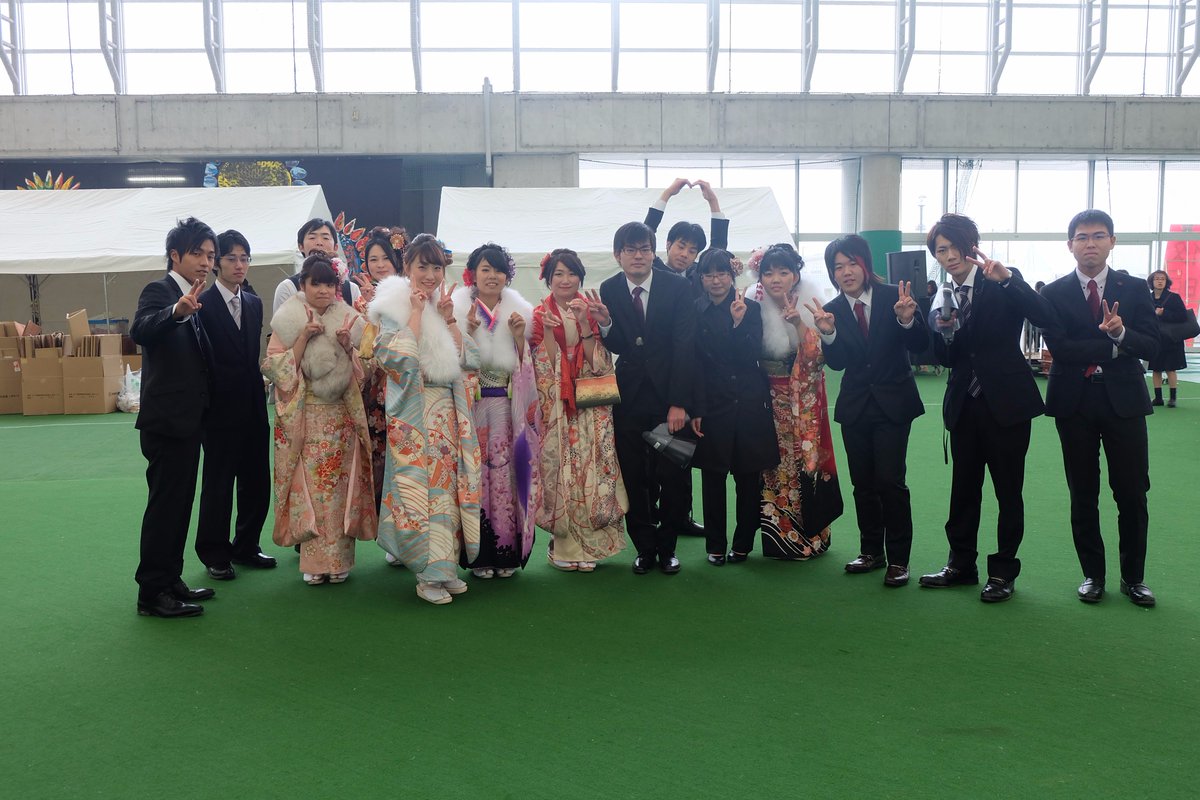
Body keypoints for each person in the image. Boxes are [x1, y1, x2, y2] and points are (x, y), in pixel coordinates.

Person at [919, 213, 1053, 603]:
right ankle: (961, 564)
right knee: (963, 490)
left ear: (971, 246)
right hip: (965, 404)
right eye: (940, 250)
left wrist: (1008, 279)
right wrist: (945, 335)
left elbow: (1044, 316)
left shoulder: (1002, 280)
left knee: (1008, 492)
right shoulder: (943, 296)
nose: (949, 256)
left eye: (954, 247)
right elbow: (945, 358)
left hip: (1007, 404)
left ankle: (1003, 571)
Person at [1041, 210, 1159, 607]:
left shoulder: (1135, 288)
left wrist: (1122, 332)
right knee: (1083, 492)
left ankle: (1134, 578)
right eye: (1082, 237)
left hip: (1124, 402)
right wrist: (1114, 347)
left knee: (1132, 492)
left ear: (1112, 242)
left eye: (1098, 236)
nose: (1090, 243)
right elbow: (1060, 349)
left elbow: (1152, 345)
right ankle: (1093, 575)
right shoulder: (1053, 293)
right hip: (1074, 403)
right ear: (1070, 245)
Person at [806, 235, 927, 587]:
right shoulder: (832, 310)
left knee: (890, 481)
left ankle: (899, 559)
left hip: (894, 404)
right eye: (838, 267)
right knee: (863, 483)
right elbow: (838, 363)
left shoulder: (895, 297)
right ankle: (871, 551)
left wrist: (907, 320)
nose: (846, 272)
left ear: (865, 265)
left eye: (852, 263)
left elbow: (921, 345)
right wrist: (828, 334)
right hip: (856, 406)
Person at [369, 233, 483, 605]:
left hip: (448, 412)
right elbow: (396, 358)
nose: (430, 274)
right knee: (425, 493)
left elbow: (469, 360)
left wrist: (450, 320)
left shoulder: (445, 303)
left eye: (436, 267)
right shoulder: (393, 305)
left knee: (448, 492)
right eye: (423, 266)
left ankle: (445, 569)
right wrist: (416, 312)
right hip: (416, 413)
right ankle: (427, 574)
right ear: (407, 267)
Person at [262, 253, 377, 585]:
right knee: (312, 489)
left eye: (329, 284)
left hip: (342, 418)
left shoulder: (350, 318)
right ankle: (313, 562)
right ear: (303, 285)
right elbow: (274, 368)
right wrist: (303, 338)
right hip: (308, 416)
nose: (323, 290)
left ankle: (340, 561)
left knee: (341, 489)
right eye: (316, 284)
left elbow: (366, 371)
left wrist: (348, 347)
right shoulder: (289, 318)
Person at [593, 221, 696, 575]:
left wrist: (679, 402)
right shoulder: (609, 288)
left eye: (644, 249)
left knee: (673, 474)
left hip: (669, 399)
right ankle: (644, 548)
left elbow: (685, 346)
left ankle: (668, 548)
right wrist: (606, 324)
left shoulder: (677, 287)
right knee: (634, 475)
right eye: (630, 250)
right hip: (629, 398)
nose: (638, 256)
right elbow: (619, 344)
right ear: (617, 255)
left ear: (654, 253)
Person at [130, 217, 218, 618]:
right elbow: (141, 330)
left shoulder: (195, 296)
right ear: (175, 255)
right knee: (165, 507)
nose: (206, 262)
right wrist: (175, 312)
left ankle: (171, 579)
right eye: (197, 253)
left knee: (181, 504)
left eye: (210, 255)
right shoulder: (161, 292)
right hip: (166, 422)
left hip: (189, 421)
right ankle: (152, 592)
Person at [530, 249, 628, 571]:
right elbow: (542, 366)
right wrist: (547, 330)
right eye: (558, 274)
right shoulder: (539, 313)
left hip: (589, 404)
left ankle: (590, 548)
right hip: (557, 404)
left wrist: (586, 323)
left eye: (572, 273)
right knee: (561, 472)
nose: (566, 280)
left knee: (592, 470)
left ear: (580, 278)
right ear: (548, 279)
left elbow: (598, 363)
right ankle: (562, 547)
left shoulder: (590, 309)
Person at [745, 243, 843, 561]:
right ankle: (780, 537)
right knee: (773, 465)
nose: (776, 279)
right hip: (766, 399)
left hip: (803, 397)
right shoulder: (752, 304)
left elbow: (817, 356)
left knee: (806, 461)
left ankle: (813, 534)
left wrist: (799, 323)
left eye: (783, 272)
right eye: (768, 273)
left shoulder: (811, 301)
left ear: (795, 275)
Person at [451, 242, 539, 579]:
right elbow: (451, 362)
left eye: (499, 270)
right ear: (473, 274)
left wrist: (518, 338)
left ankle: (505, 553)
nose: (492, 276)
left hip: (504, 406)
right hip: (470, 405)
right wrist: (467, 333)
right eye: (485, 269)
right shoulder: (457, 308)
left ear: (507, 275)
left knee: (505, 477)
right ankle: (478, 554)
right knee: (474, 476)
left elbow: (526, 367)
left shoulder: (519, 312)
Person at [689, 249, 779, 566]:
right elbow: (694, 364)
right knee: (713, 478)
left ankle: (742, 544)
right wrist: (697, 408)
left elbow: (752, 355)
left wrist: (739, 323)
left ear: (732, 276)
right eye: (709, 275)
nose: (716, 281)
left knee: (747, 478)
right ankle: (715, 545)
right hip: (712, 403)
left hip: (748, 401)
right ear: (701, 278)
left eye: (722, 274)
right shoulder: (694, 310)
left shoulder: (751, 308)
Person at [195, 229, 274, 581]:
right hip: (218, 409)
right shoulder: (202, 304)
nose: (239, 265)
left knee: (256, 480)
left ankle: (246, 545)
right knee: (218, 483)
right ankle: (214, 552)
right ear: (216, 263)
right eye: (231, 258)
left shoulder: (254, 303)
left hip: (254, 405)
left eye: (245, 258)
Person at [350, 226, 406, 513]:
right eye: (373, 259)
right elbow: (361, 346)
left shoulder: (409, 294)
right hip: (374, 386)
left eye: (385, 258)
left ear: (397, 260)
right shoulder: (361, 298)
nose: (380, 265)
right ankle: (380, 519)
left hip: (402, 383)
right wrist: (369, 305)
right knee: (377, 453)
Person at [645, 177, 729, 286]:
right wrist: (667, 193)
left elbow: (717, 248)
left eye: (692, 251)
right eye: (681, 247)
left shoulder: (698, 276)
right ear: (668, 245)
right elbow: (644, 236)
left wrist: (713, 201)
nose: (685, 254)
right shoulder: (653, 269)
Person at [272, 218, 361, 315]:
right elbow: (281, 324)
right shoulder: (288, 288)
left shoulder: (351, 290)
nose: (319, 242)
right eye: (312, 238)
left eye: (325, 238)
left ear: (336, 247)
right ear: (301, 246)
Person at [1147, 269, 1187, 408]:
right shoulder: (1147, 298)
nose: (1159, 281)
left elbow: (1183, 316)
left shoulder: (1174, 297)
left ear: (1166, 282)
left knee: (1171, 368)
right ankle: (1158, 398)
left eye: (1162, 279)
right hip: (1155, 338)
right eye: (1157, 279)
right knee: (1156, 369)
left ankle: (1172, 398)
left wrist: (1164, 313)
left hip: (1171, 339)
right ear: (1152, 281)